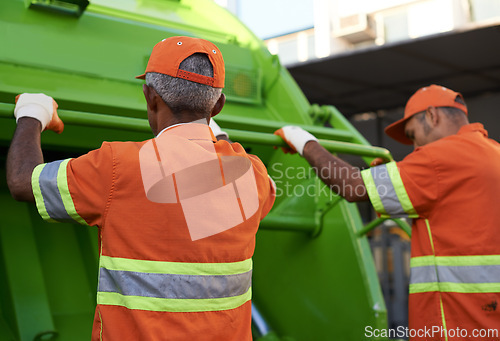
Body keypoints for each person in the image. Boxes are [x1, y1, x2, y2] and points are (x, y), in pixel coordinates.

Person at [7, 36, 275, 341]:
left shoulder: (116, 165)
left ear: (150, 97)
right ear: (218, 105)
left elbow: (22, 180)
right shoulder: (251, 173)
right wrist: (218, 135)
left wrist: (32, 114)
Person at [274, 85, 500, 340]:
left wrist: (305, 143)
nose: (415, 148)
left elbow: (352, 187)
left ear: (432, 115)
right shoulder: (492, 153)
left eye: (413, 135)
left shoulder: (441, 158)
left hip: (456, 326)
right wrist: (395, 179)